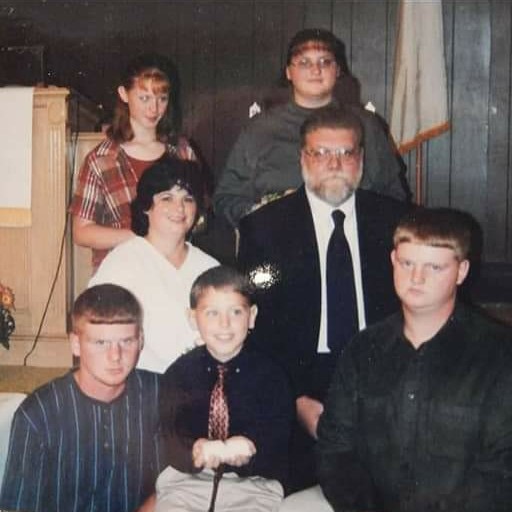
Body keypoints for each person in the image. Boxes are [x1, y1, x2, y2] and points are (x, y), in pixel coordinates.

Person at [238, 106, 409, 491]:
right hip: (300, 380)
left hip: (383, 374)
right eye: (321, 153)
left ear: (361, 160)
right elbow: (258, 331)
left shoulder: (396, 222)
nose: (334, 164)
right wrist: (295, 398)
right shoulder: (263, 230)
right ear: (302, 159)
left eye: (346, 153)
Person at [309, 207, 512, 512]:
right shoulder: (363, 348)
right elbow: (335, 448)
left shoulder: (499, 353)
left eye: (434, 267)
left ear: (462, 271)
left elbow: (501, 468)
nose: (416, 278)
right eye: (407, 263)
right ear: (393, 261)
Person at [214, 28, 408, 228]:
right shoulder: (260, 129)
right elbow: (226, 199)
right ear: (289, 72)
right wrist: (265, 212)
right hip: (279, 236)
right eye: (304, 62)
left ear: (338, 70)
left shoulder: (366, 125)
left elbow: (394, 196)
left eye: (325, 62)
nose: (316, 70)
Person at [0, 284, 162, 512]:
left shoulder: (161, 395)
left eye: (126, 341)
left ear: (141, 340)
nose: (115, 356)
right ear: (75, 344)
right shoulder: (39, 414)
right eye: (100, 343)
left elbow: (181, 481)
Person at [155, 265, 293, 511]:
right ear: (192, 317)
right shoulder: (179, 374)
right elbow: (167, 434)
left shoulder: (271, 375)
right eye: (211, 313)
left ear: (251, 316)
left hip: (252, 485)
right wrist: (193, 451)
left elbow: (279, 436)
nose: (224, 324)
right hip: (186, 482)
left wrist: (252, 447)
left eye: (236, 312)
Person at [89, 157, 218, 373]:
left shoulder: (209, 267)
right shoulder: (122, 263)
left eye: (188, 199)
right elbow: (96, 335)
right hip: (140, 386)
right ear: (146, 207)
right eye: (167, 198)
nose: (179, 208)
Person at [70, 52, 197, 271]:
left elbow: (197, 214)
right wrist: (141, 238)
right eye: (144, 98)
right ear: (124, 94)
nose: (154, 109)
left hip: (173, 268)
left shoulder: (182, 152)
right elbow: (81, 232)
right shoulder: (100, 160)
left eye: (162, 99)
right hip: (121, 275)